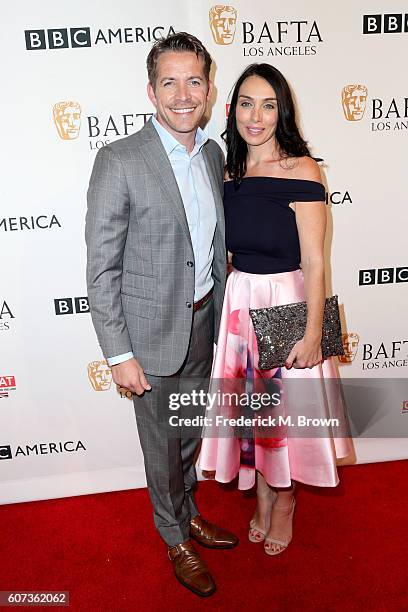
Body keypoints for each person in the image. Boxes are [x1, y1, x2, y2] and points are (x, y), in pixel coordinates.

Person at [85, 32, 238, 598]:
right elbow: (102, 268)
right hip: (149, 336)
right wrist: (119, 353)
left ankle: (190, 511)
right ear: (151, 90)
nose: (182, 94)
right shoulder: (120, 160)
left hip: (204, 322)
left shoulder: (214, 154)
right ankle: (174, 535)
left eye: (193, 81)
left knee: (191, 433)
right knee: (161, 444)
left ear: (208, 89)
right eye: (169, 82)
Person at [200, 63, 352, 556]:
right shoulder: (230, 171)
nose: (256, 116)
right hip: (241, 306)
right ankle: (264, 489)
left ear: (282, 111)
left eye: (268, 105)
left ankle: (284, 501)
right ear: (232, 108)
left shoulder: (302, 169)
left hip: (287, 304)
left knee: (284, 415)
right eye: (247, 103)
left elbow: (315, 261)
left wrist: (312, 335)